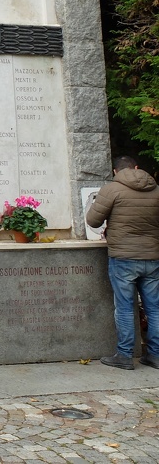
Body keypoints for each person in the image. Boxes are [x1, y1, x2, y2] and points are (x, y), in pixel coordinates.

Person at [86, 155, 159, 370]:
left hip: (123, 258)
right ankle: (155, 355)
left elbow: (92, 221)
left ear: (116, 171)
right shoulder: (156, 189)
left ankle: (125, 355)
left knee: (125, 307)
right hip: (153, 258)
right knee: (154, 308)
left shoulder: (112, 190)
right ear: (136, 167)